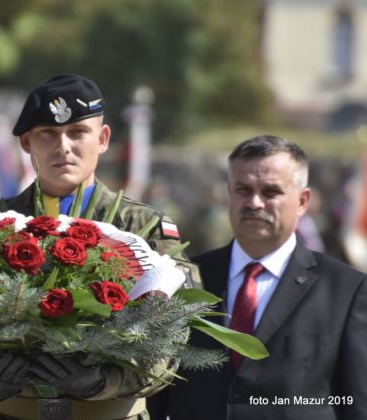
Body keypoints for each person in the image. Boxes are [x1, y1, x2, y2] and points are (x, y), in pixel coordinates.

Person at [0, 73, 200, 419]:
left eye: (78, 132)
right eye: (48, 134)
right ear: (26, 143)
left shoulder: (144, 227)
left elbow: (174, 336)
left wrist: (102, 381)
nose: (63, 146)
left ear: (103, 138)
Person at [150, 135, 367, 420]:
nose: (255, 202)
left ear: (302, 201)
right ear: (229, 192)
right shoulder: (184, 278)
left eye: (270, 192)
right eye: (244, 189)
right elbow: (157, 389)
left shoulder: (346, 290)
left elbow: (357, 403)